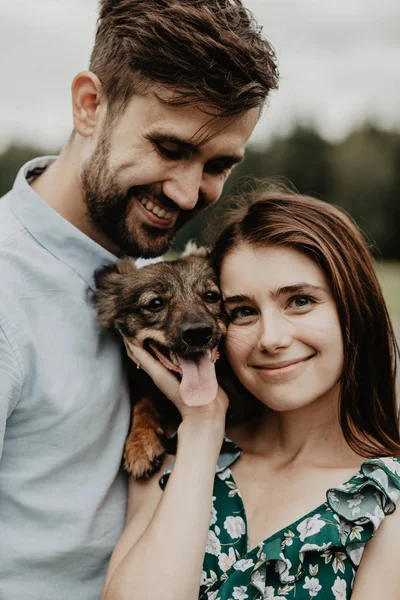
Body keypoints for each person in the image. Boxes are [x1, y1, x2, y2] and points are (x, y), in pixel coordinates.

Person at [0, 2, 279, 598]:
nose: (186, 192)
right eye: (170, 147)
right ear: (89, 106)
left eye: (219, 164)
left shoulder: (168, 276)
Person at [104, 191, 400, 600]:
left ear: (355, 307)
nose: (272, 339)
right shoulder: (171, 452)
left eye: (300, 301)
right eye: (242, 311)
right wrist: (204, 423)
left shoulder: (386, 499)